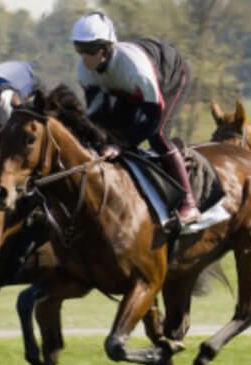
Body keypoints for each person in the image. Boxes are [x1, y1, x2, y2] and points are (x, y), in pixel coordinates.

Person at [70, 12, 200, 225]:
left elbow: (152, 114)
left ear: (106, 48)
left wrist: (122, 146)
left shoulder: (134, 68)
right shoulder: (84, 70)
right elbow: (96, 115)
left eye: (90, 50)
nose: (84, 57)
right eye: (79, 49)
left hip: (170, 76)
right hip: (128, 87)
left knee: (158, 135)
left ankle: (189, 203)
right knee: (107, 134)